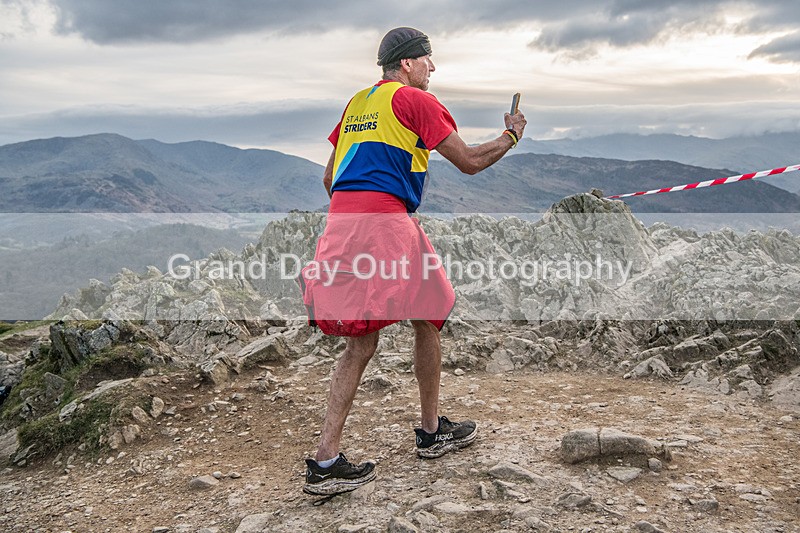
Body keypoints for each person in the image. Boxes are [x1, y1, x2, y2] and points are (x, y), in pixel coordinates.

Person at [300, 26, 527, 496]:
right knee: (362, 344)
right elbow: (467, 160)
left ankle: (431, 431)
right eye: (428, 59)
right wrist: (511, 135)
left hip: (348, 221)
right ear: (408, 63)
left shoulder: (358, 103)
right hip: (383, 224)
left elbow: (330, 177)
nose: (433, 68)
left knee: (430, 310)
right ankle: (325, 461)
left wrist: (362, 212)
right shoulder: (416, 100)